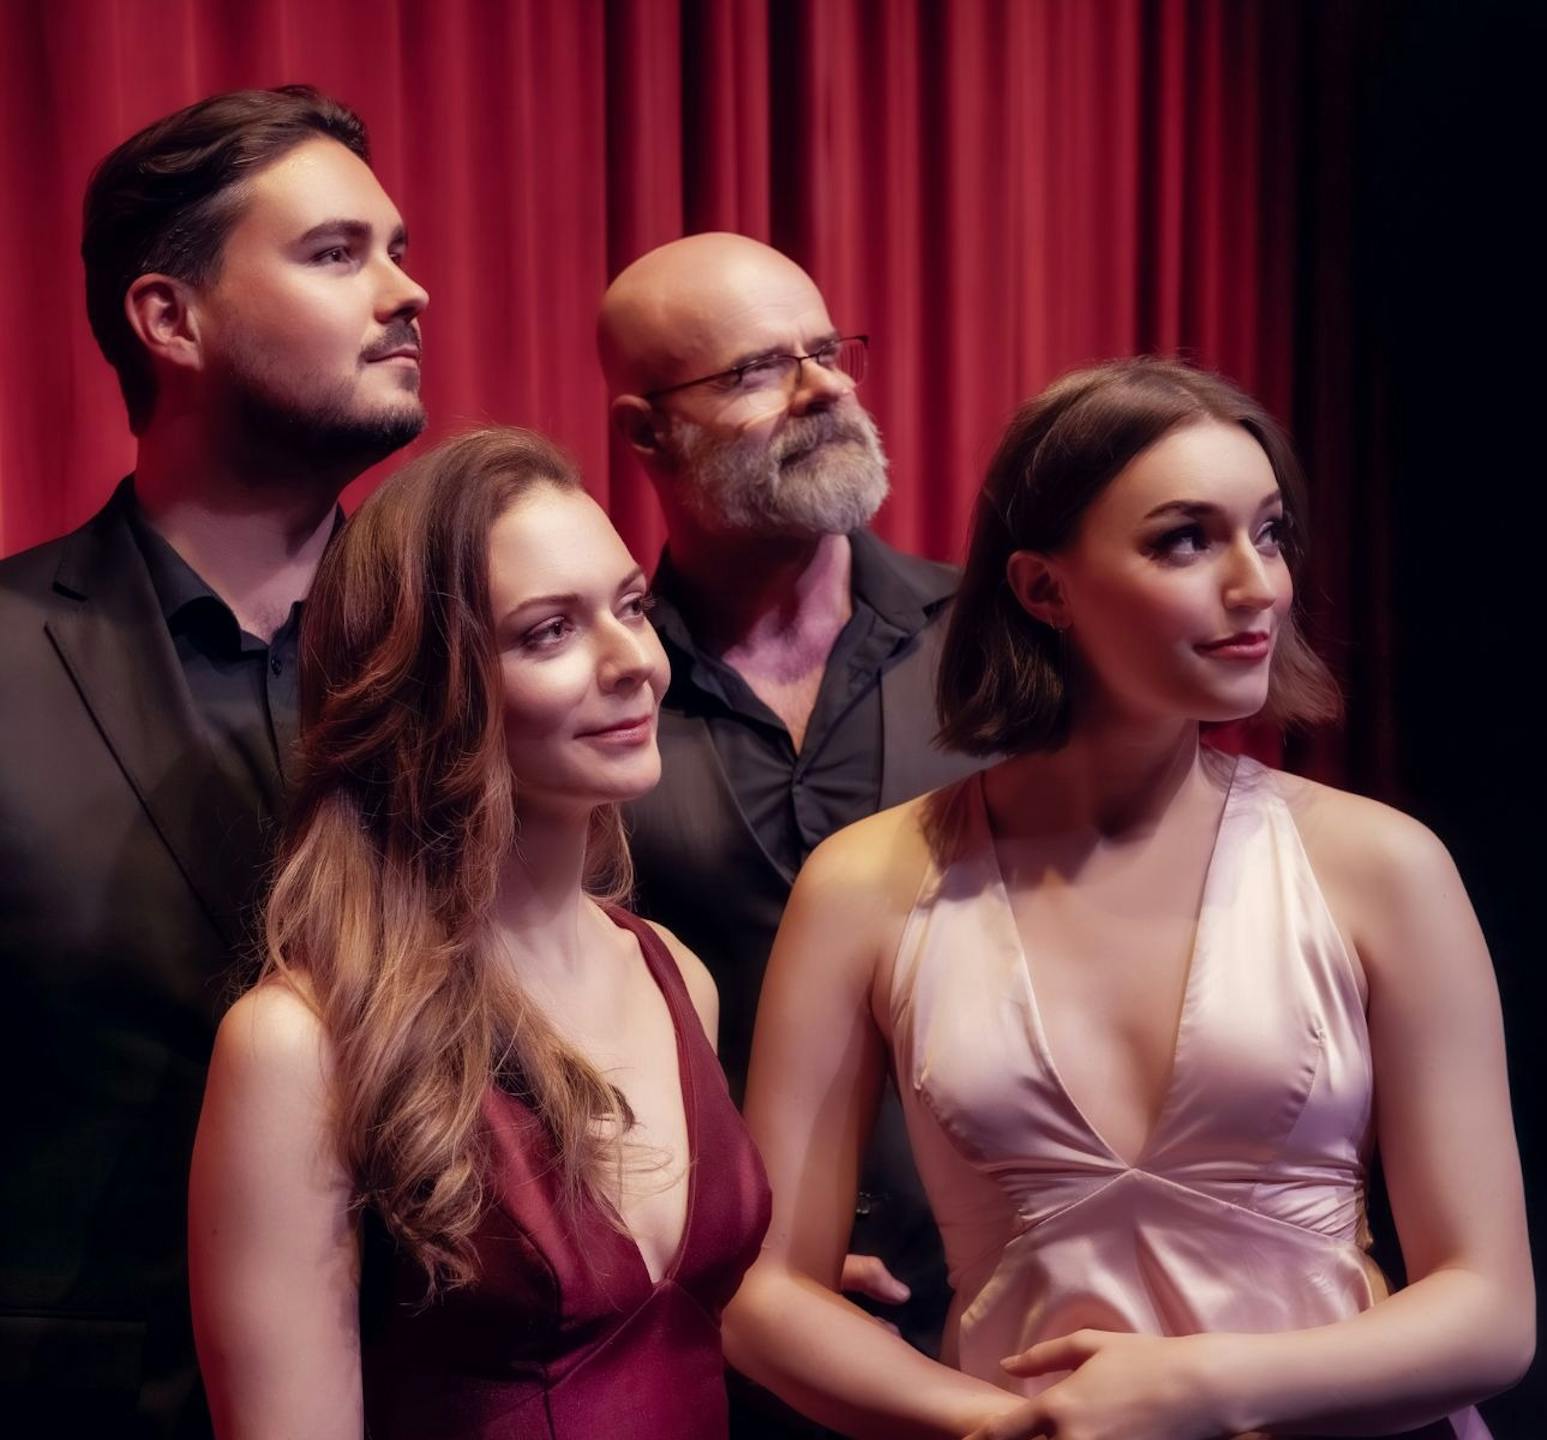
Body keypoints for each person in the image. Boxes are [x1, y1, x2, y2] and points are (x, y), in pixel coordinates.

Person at [723, 358, 1535, 1438]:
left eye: (1271, 533)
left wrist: (1199, 1390)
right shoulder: (865, 886)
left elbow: (1491, 1311)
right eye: (1186, 540)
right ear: (1042, 589)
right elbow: (769, 1295)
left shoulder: (1382, 865)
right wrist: (1003, 1428)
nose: (1259, 585)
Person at [187, 427, 770, 1438]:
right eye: (550, 632)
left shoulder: (675, 973)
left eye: (632, 607)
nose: (634, 662)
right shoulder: (300, 1045)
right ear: (425, 689)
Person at [0, 86, 426, 1434]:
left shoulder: (479, 652)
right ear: (169, 319)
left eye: (397, 249)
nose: (407, 292)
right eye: (336, 254)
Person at [597, 233, 983, 1376]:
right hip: (712, 1329)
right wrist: (720, 1255)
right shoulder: (596, 690)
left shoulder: (997, 649)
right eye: (760, 369)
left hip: (1008, 1305)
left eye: (827, 350)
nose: (827, 389)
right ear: (645, 433)